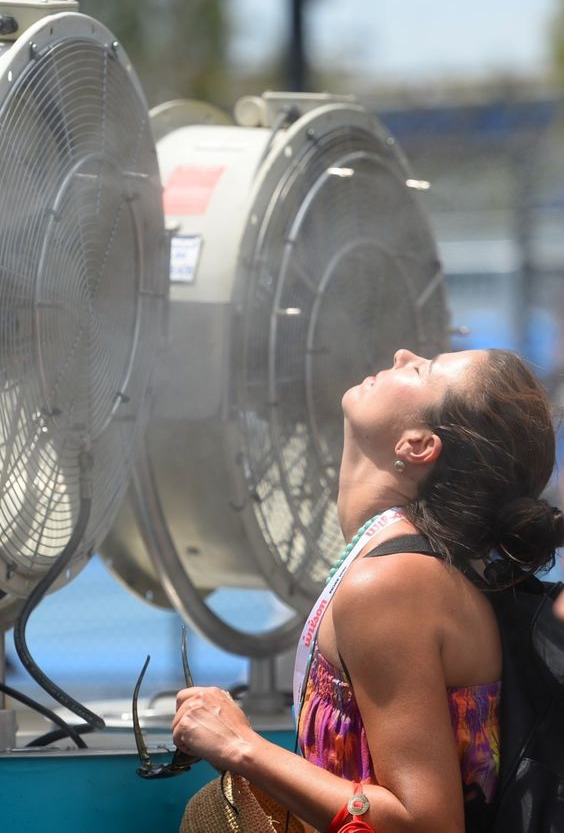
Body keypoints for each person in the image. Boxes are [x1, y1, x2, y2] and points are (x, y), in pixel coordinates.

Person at [172, 348, 564, 833]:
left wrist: (241, 747)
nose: (403, 354)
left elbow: (426, 824)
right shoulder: (404, 564)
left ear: (418, 445)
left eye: (422, 369)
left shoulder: (393, 583)